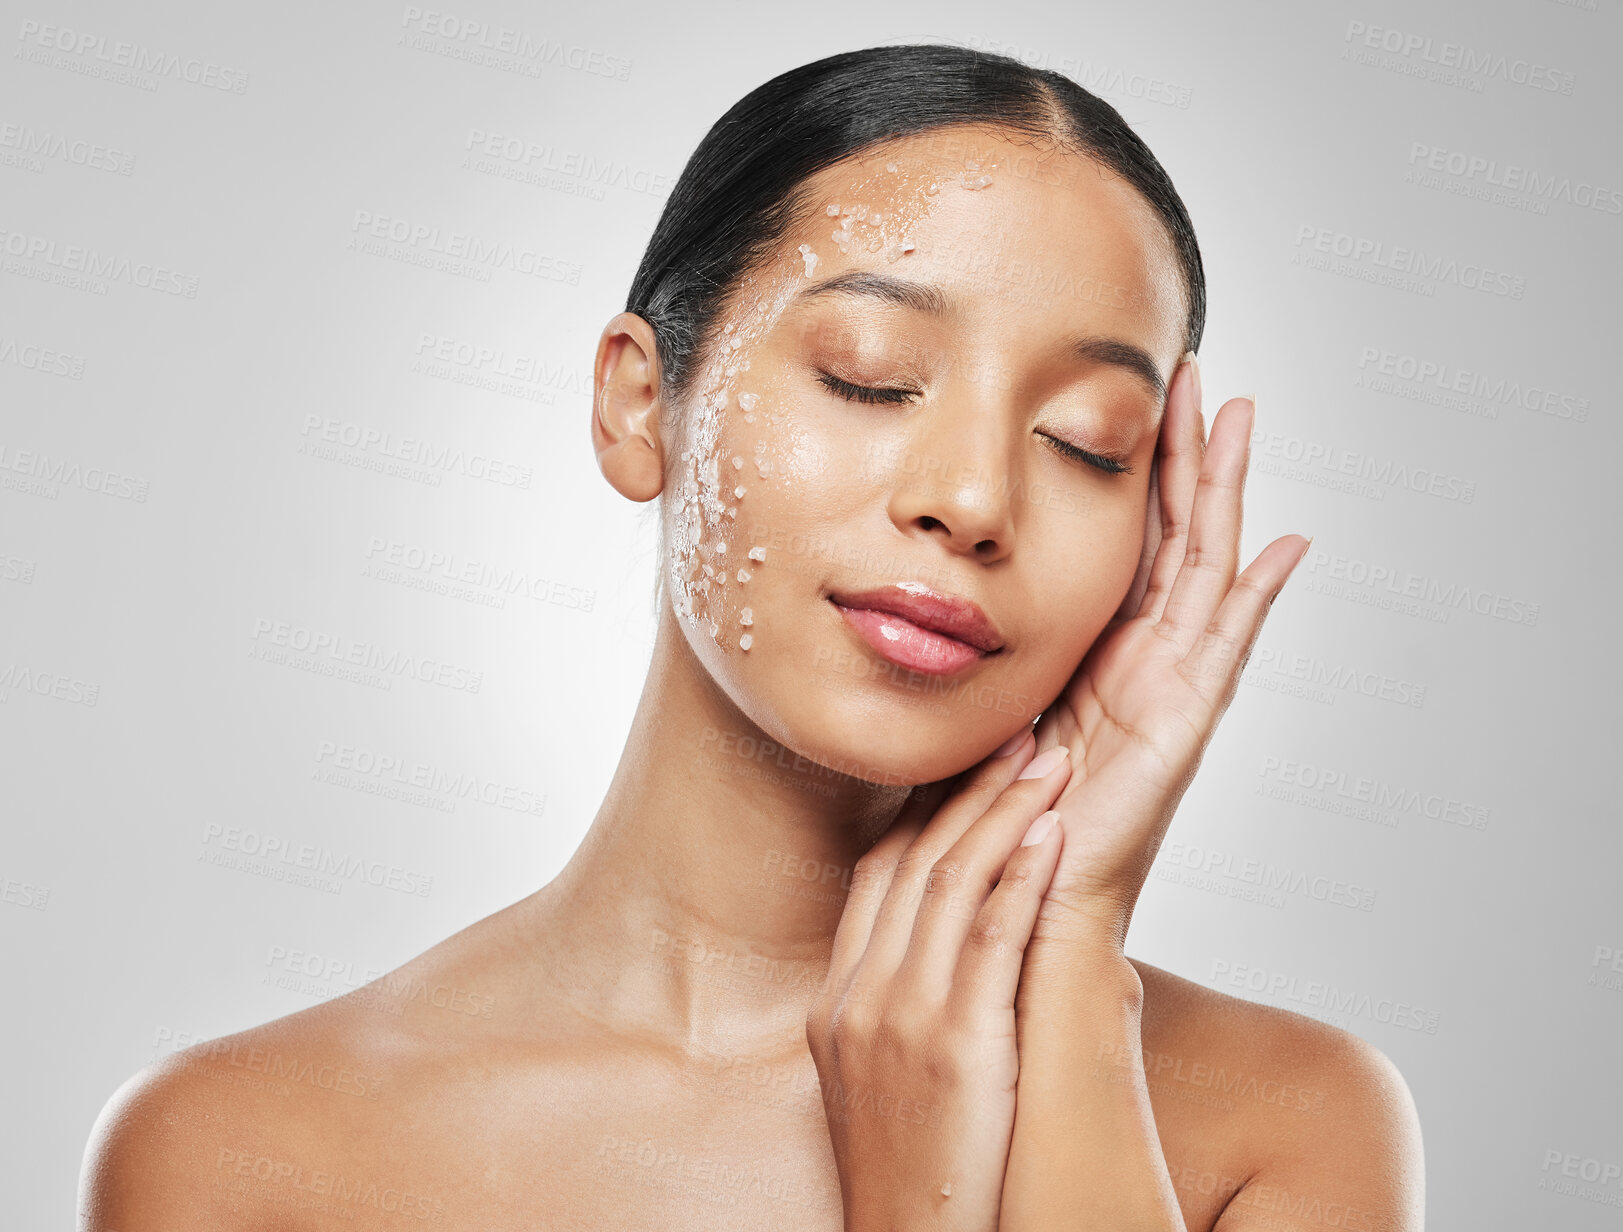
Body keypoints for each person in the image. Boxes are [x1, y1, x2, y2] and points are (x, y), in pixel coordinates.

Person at [79, 44, 1423, 1231]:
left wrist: (1065, 974)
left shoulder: (1286, 1129)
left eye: (1089, 444)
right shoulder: (244, 1156)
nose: (969, 500)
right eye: (870, 375)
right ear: (638, 402)